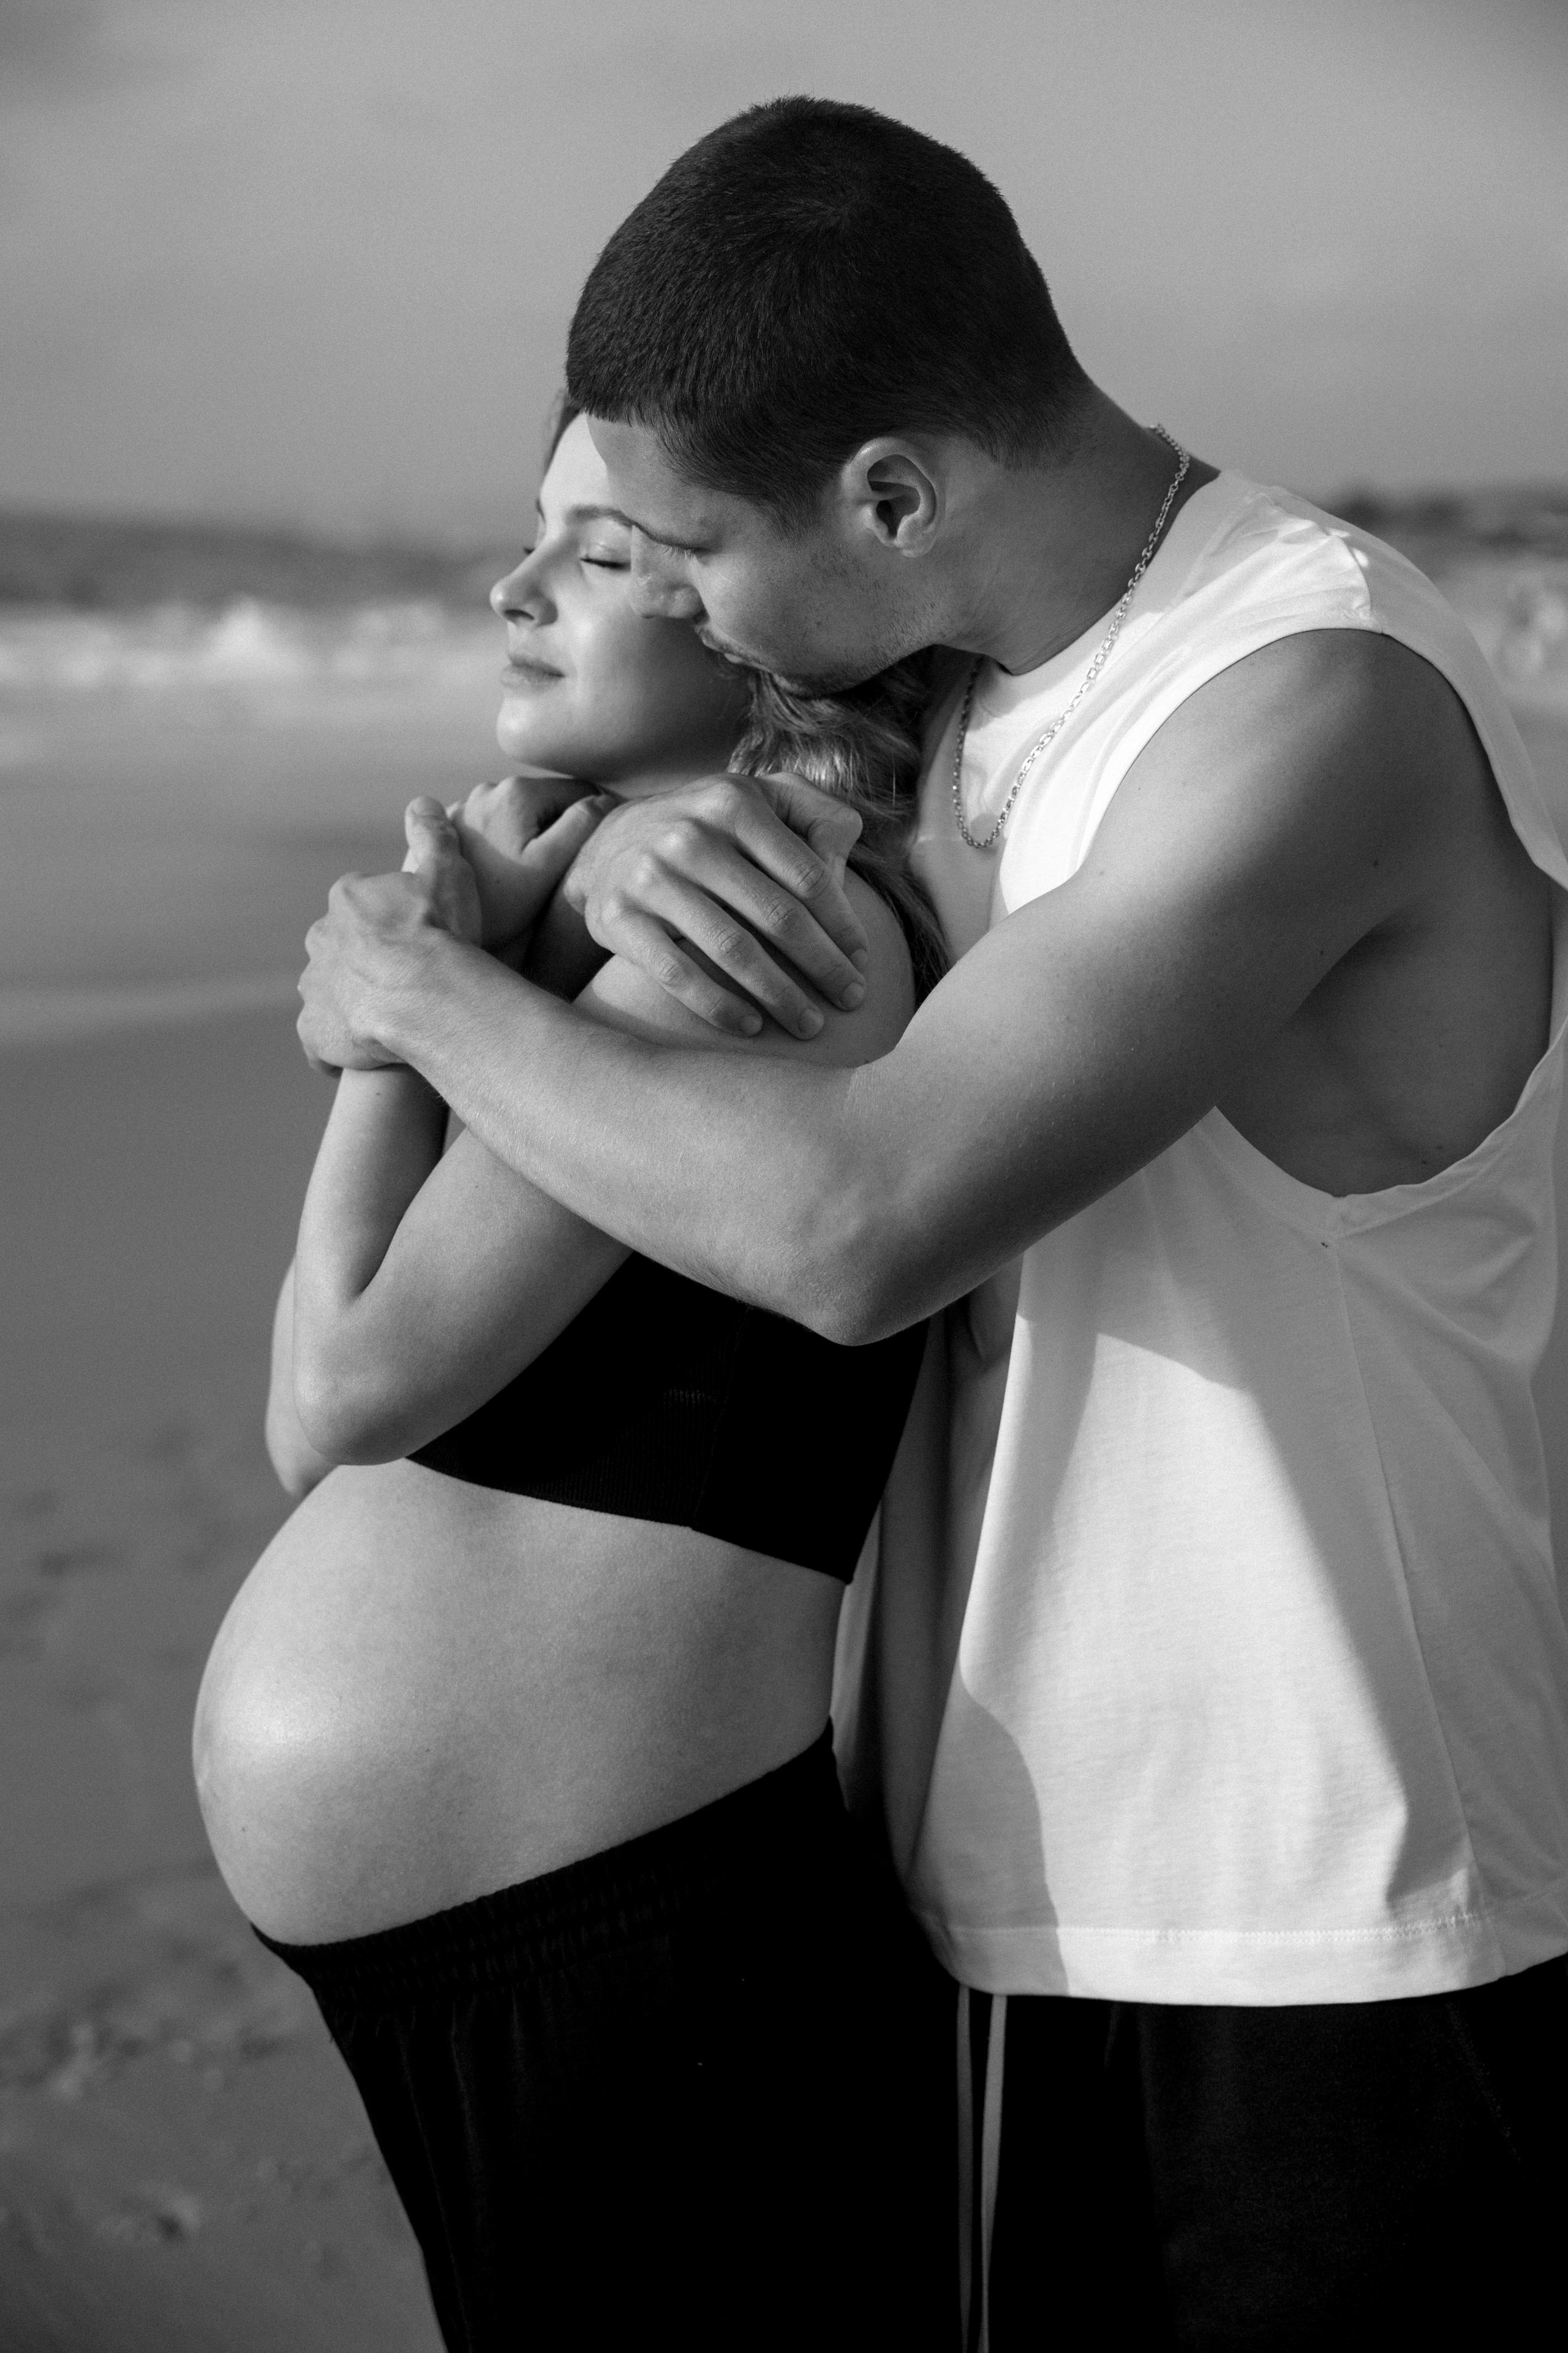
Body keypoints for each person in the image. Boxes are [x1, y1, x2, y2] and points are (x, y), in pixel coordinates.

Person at [295, 97, 1568, 2345]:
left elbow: (863, 1216)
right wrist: (541, 898)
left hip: (1341, 1905)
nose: (686, 599)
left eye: (695, 547)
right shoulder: (978, 692)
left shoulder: (1308, 693)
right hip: (1019, 1878)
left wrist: (415, 1000)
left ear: (891, 494)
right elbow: (744, 823)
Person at [194, 402, 954, 2353]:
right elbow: (307, 1417)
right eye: (535, 535)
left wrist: (402, 1008)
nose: (515, 590)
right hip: (556, 1931)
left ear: (769, 620)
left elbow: (352, 1386)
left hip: (638, 1936)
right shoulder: (591, 905)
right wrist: (440, 970)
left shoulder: (758, 928)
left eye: (604, 556)